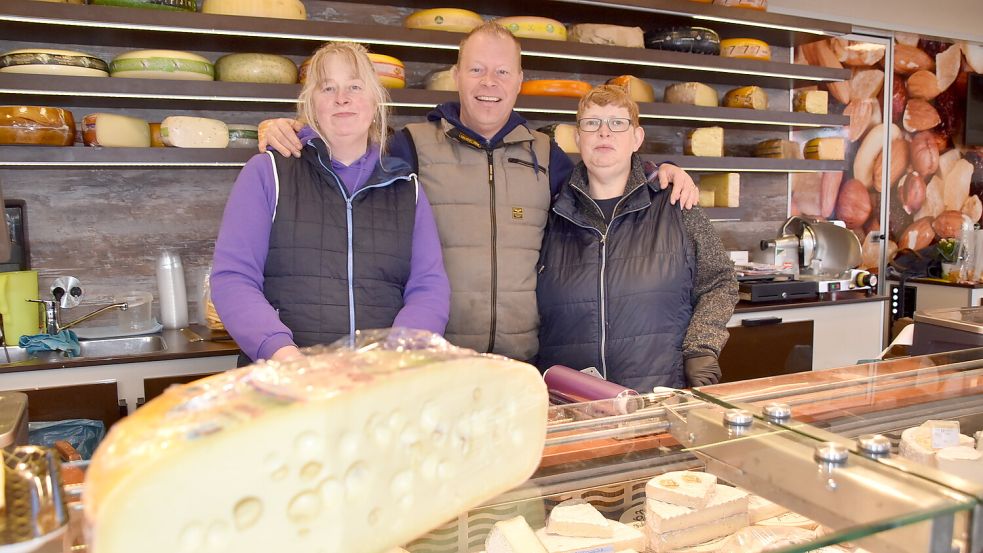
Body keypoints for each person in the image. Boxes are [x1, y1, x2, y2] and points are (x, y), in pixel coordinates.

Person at [258, 22, 699, 362]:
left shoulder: (546, 154)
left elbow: (603, 177)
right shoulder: (410, 145)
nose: (489, 82)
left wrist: (657, 169)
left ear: (519, 79)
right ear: (457, 75)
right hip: (436, 362)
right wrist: (295, 131)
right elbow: (346, 149)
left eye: (502, 71)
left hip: (524, 361)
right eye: (477, 69)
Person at [211, 41, 450, 364]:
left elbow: (428, 287)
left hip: (379, 383)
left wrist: (397, 357)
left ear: (375, 100)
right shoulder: (268, 173)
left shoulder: (406, 188)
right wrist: (282, 355)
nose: (342, 98)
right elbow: (233, 278)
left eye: (355, 85)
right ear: (310, 103)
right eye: (328, 88)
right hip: (286, 380)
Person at [536, 85, 738, 391]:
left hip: (657, 396)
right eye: (592, 123)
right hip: (570, 401)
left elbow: (720, 281)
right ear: (578, 138)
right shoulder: (549, 212)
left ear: (637, 138)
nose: (604, 133)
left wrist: (702, 345)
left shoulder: (676, 205)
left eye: (617, 123)